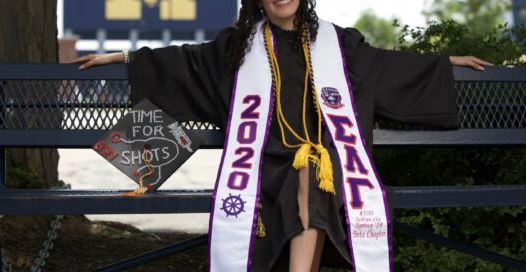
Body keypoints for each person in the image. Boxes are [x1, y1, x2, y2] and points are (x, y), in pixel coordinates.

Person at [73, 0, 493, 271]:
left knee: (310, 169)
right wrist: (123, 56)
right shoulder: (239, 46)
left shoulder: (335, 43)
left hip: (333, 165)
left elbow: (387, 67)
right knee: (302, 172)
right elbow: (185, 63)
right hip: (261, 165)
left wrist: (445, 63)